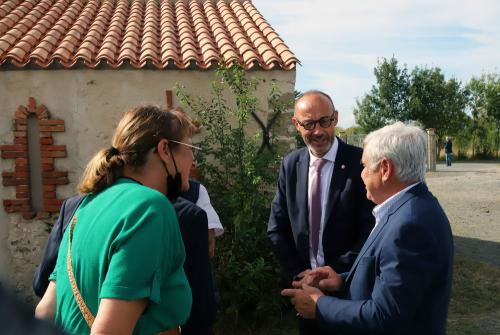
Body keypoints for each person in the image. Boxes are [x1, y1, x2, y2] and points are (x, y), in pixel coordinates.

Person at [34, 106, 195, 335]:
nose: (194, 161)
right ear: (164, 149)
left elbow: (45, 312)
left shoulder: (85, 207)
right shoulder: (150, 208)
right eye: (190, 148)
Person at [282, 122, 454, 335]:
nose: (361, 174)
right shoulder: (408, 208)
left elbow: (386, 315)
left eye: (364, 166)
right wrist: (342, 280)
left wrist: (319, 305)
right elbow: (389, 279)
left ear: (385, 169)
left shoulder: (410, 225)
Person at [267, 90, 375, 334]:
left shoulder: (361, 163)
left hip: (348, 290)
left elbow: (370, 232)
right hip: (305, 291)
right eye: (309, 124)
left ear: (335, 118)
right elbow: (276, 228)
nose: (318, 131)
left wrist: (335, 273)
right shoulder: (290, 165)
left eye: (325, 121)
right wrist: (299, 272)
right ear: (296, 125)